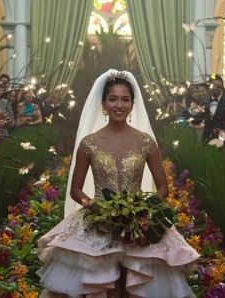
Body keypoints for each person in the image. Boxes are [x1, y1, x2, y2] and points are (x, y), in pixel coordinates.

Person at [37, 70, 199, 297]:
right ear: (103, 103)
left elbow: (163, 187)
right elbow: (75, 189)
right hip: (98, 220)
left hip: (140, 221)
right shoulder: (89, 143)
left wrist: (146, 211)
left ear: (133, 103)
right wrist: (94, 206)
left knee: (139, 281)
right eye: (113, 99)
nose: (119, 105)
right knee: (99, 284)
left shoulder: (146, 142)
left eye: (125, 99)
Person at [202, 74, 225, 140]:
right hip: (206, 140)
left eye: (218, 86)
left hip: (222, 141)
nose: (215, 88)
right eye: (213, 86)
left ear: (222, 87)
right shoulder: (204, 103)